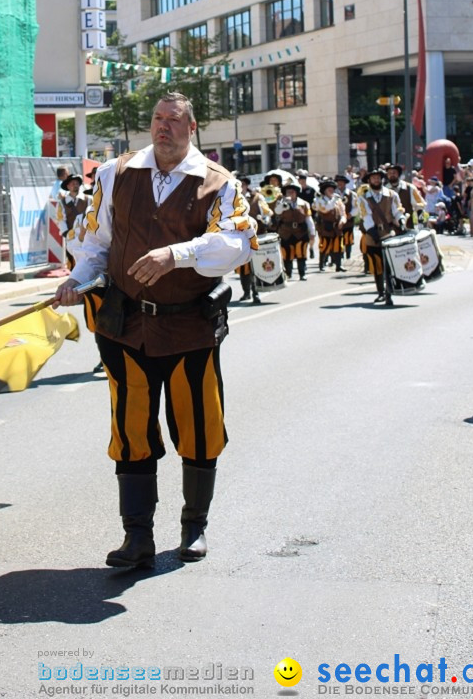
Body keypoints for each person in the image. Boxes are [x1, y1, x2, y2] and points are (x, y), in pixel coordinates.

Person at [55, 93, 256, 569]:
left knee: (199, 425)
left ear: (193, 126)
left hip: (190, 324)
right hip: (125, 326)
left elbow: (237, 244)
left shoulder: (219, 183)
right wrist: (76, 280)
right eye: (157, 119)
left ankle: (194, 527)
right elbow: (94, 241)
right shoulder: (116, 174)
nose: (163, 127)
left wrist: (178, 254)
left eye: (173, 120)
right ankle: (136, 536)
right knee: (130, 429)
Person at [358, 168, 407, 304]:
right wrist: (371, 231)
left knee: (390, 264)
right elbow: (365, 215)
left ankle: (390, 291)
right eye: (373, 178)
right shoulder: (364, 198)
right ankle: (381, 292)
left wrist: (401, 220)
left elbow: (397, 211)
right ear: (368, 181)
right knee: (378, 265)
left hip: (389, 232)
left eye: (378, 178)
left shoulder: (391, 195)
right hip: (373, 233)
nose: (376, 180)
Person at [235, 176, 272, 303]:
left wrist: (264, 219)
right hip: (240, 238)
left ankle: (256, 293)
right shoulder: (231, 198)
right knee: (244, 268)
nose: (240, 187)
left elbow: (268, 213)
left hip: (256, 236)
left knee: (256, 266)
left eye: (242, 185)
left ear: (246, 185)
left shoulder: (257, 197)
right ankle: (246, 293)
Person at [273, 182, 316, 281]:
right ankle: (288, 273)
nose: (291, 193)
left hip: (300, 232)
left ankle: (302, 273)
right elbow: (277, 212)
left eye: (293, 192)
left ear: (296, 193)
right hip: (285, 232)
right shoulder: (280, 202)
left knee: (301, 253)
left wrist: (312, 232)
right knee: (287, 254)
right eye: (288, 192)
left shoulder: (304, 204)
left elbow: (308, 219)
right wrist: (284, 204)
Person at [312, 179, 346, 271]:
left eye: (332, 189)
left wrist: (342, 220)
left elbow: (343, 212)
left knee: (339, 246)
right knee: (325, 246)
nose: (331, 190)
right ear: (324, 190)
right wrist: (334, 199)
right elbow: (326, 209)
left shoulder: (338, 200)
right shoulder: (319, 200)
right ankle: (321, 264)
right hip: (325, 227)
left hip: (337, 227)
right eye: (329, 189)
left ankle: (339, 266)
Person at [385, 164, 426, 229]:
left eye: (394, 172)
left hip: (408, 227)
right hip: (390, 229)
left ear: (399, 174)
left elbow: (420, 206)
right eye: (389, 173)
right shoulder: (384, 190)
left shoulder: (410, 188)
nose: (392, 175)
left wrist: (421, 223)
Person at [334, 173, 356, 259]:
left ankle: (348, 255)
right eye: (338, 182)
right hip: (337, 220)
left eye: (341, 182)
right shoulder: (334, 194)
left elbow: (356, 207)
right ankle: (339, 255)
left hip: (349, 220)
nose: (340, 184)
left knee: (348, 238)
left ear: (345, 183)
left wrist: (351, 214)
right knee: (338, 238)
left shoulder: (351, 194)